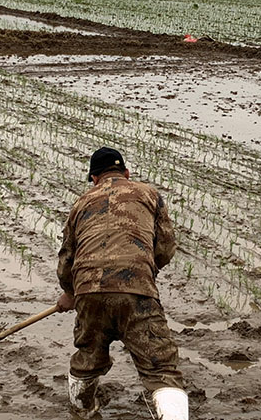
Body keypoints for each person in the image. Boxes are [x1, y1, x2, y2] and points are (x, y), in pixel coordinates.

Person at [56, 147, 187, 420]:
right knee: (161, 367)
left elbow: (67, 257)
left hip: (89, 291)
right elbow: (165, 247)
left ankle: (84, 412)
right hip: (136, 289)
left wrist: (69, 292)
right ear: (126, 173)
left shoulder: (81, 203)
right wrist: (144, 271)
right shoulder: (148, 194)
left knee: (88, 358)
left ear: (94, 178)